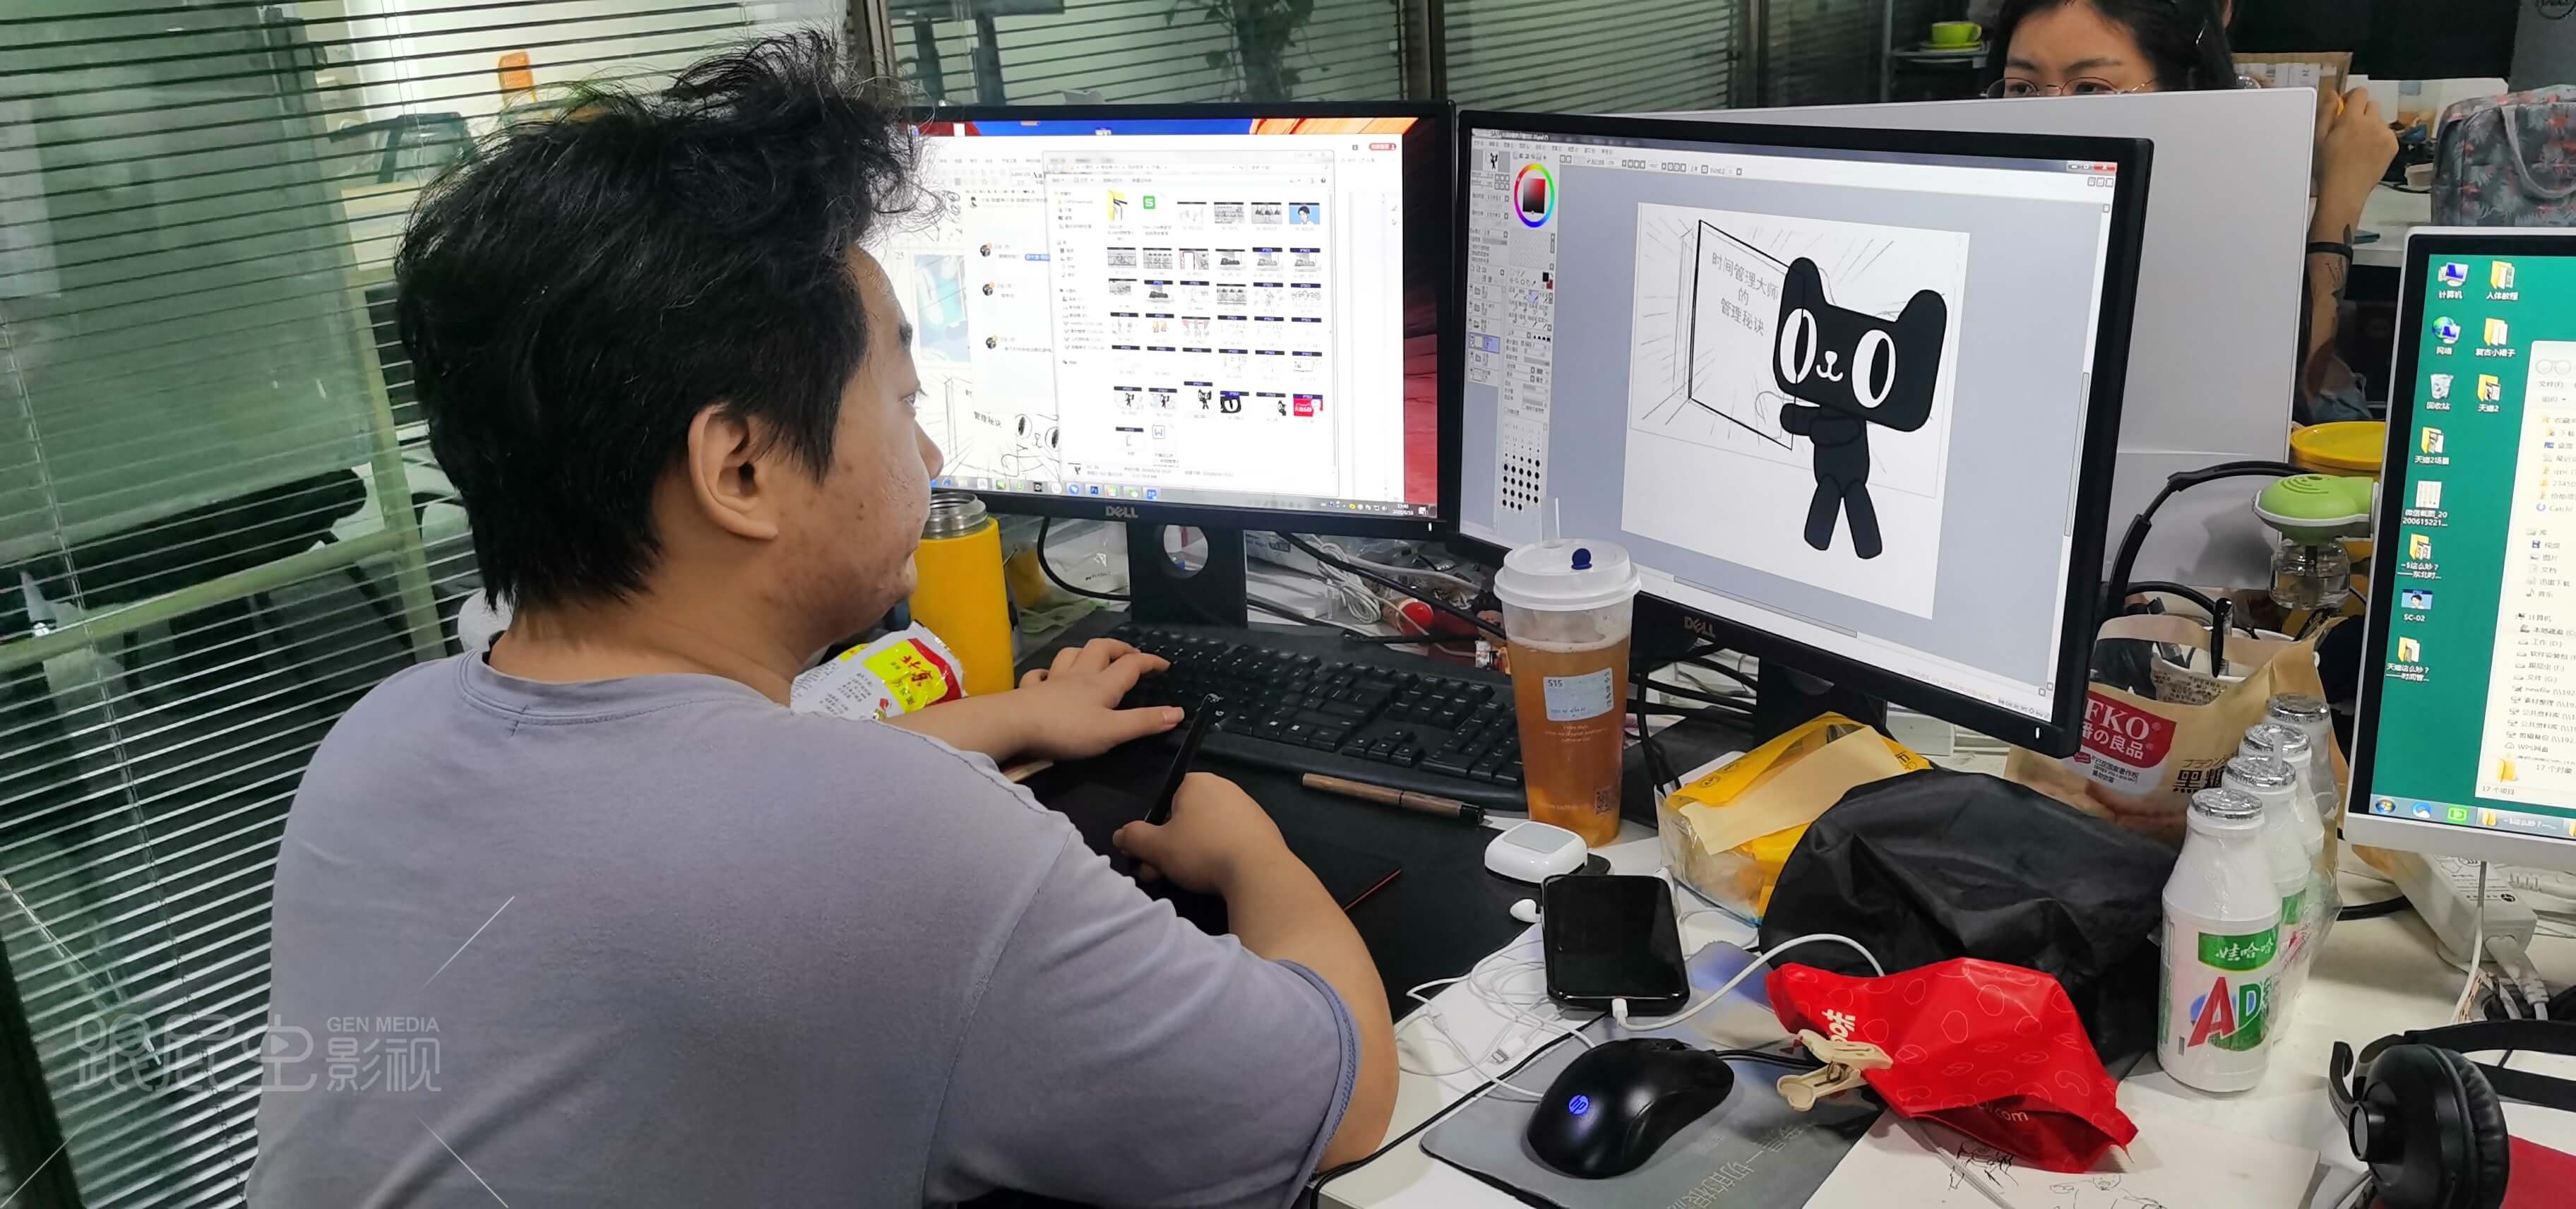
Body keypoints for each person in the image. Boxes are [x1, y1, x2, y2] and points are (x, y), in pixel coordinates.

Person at [246, 33, 1393, 1207]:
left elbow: (688, 816)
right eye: (902, 400)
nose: (931, 454)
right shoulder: (900, 850)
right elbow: (1341, 1097)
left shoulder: (378, 739)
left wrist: (1003, 718)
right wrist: (1249, 852)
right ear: (741, 467)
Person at [1984, 0, 2399, 423]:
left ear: (2185, 88)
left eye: (2090, 88)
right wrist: (2340, 204)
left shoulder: (2203, 221)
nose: (2048, 116)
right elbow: (2310, 403)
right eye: (2022, 88)